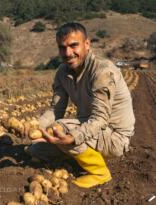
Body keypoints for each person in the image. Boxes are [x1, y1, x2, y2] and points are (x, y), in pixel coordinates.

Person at [25, 22, 135, 188]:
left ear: (87, 44)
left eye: (73, 45)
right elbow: (56, 110)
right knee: (36, 149)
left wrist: (73, 137)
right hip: (91, 132)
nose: (68, 53)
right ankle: (78, 154)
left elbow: (99, 120)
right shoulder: (62, 72)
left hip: (113, 136)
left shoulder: (102, 71)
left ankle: (100, 172)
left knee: (60, 129)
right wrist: (35, 126)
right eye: (62, 47)